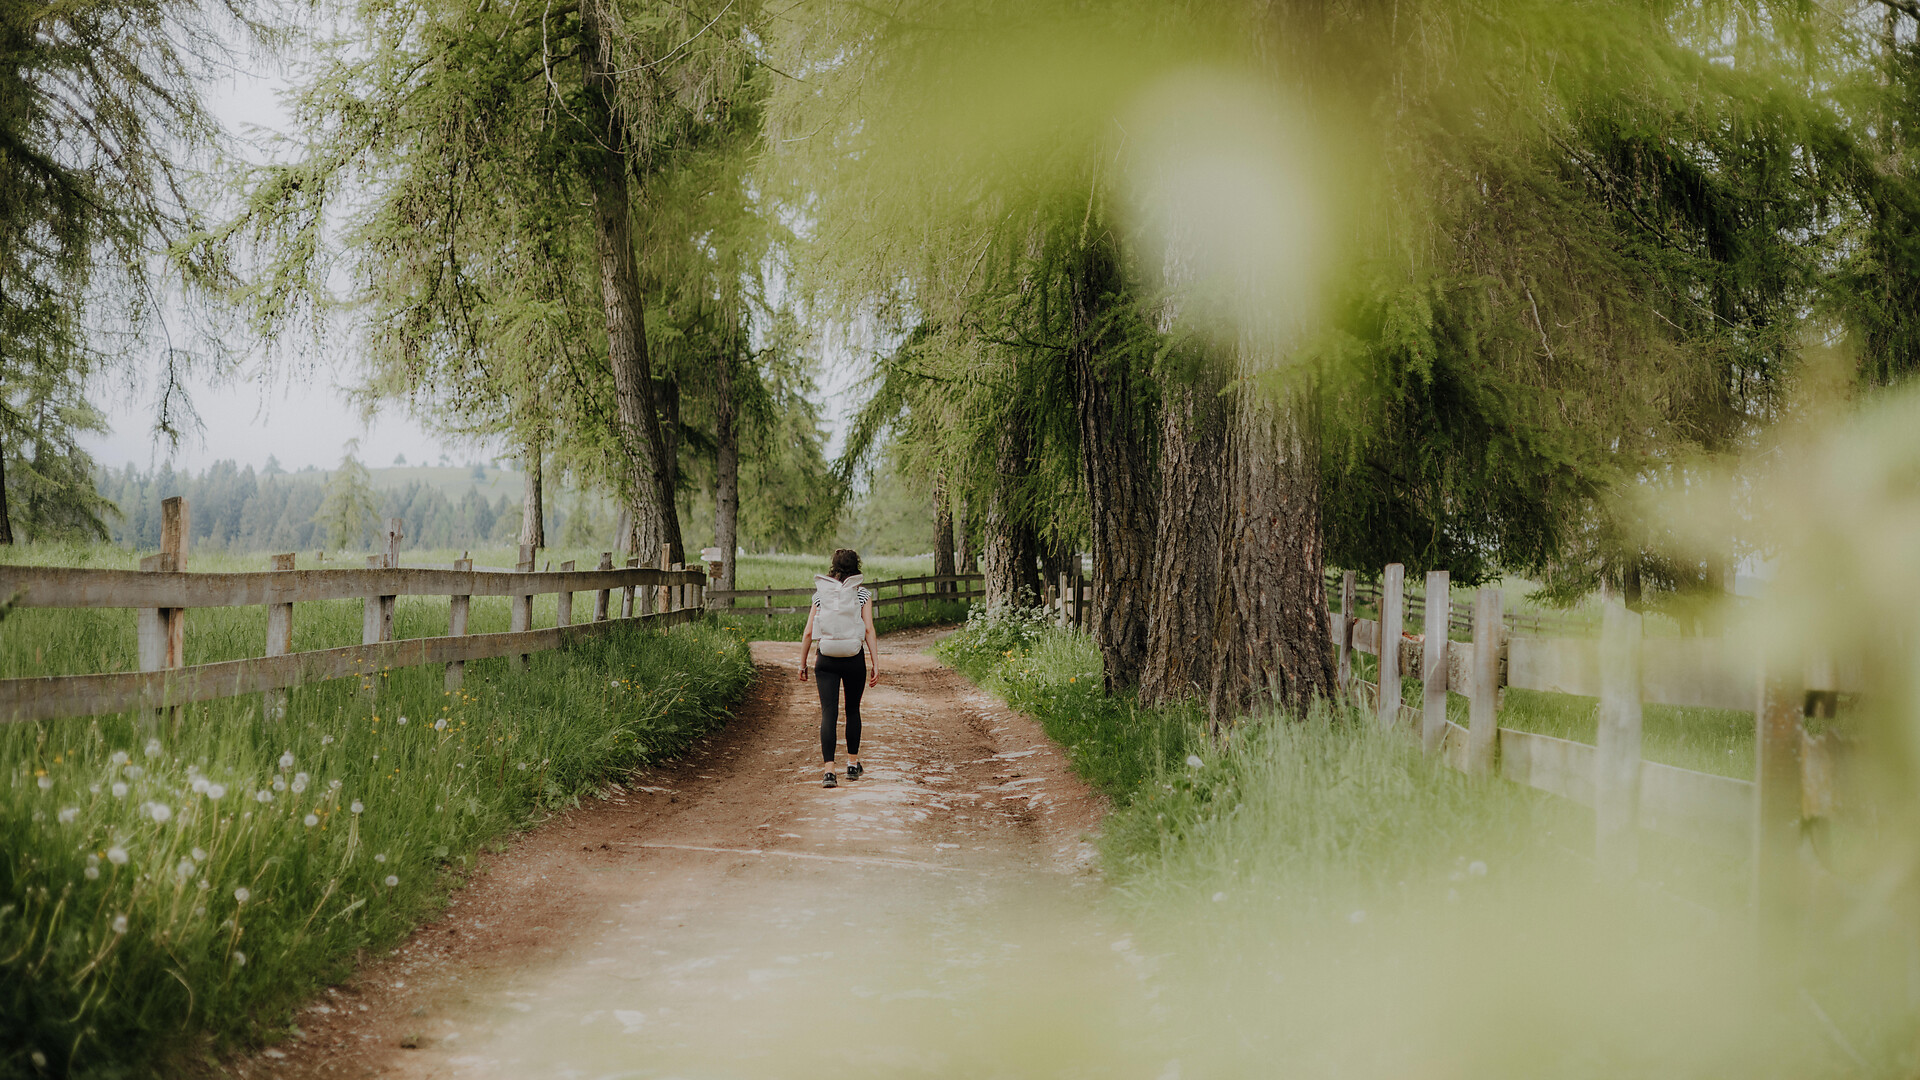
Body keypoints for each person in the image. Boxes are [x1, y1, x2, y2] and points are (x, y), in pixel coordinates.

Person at [798, 548, 880, 788]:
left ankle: (829, 772)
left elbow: (809, 632)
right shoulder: (862, 594)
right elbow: (868, 629)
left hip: (826, 659)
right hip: (854, 658)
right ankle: (852, 765)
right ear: (857, 568)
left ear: (833, 567)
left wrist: (802, 663)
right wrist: (876, 662)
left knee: (828, 713)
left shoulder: (821, 594)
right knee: (852, 710)